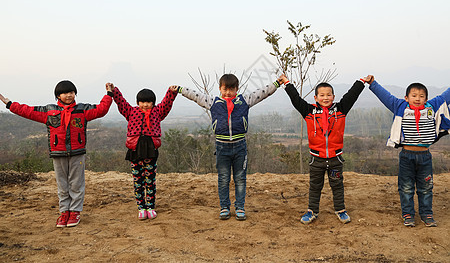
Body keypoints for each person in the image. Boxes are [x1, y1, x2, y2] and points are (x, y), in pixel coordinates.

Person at [0, 80, 113, 228]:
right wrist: (9, 104)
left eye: (72, 92)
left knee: (76, 183)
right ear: (58, 95)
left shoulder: (82, 110)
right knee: (62, 184)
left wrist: (109, 94)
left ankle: (75, 212)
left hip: (77, 153)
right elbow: (27, 111)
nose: (69, 95)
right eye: (65, 93)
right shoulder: (49, 111)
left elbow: (101, 109)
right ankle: (64, 212)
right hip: (58, 152)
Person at [178, 74, 281, 221]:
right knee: (223, 179)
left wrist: (277, 83)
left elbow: (262, 93)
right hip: (222, 147)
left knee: (240, 179)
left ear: (237, 89)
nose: (228, 92)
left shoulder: (244, 101)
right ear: (220, 88)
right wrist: (181, 89)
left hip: (240, 146)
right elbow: (196, 96)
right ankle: (224, 208)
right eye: (225, 89)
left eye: (231, 89)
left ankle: (240, 207)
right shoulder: (213, 102)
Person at [278, 74, 365, 224]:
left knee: (337, 185)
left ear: (333, 96)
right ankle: (312, 211)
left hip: (335, 158)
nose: (326, 98)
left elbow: (352, 95)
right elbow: (296, 99)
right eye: (322, 95)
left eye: (329, 95)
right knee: (315, 186)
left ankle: (340, 210)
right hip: (316, 159)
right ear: (316, 97)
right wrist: (287, 83)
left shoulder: (340, 109)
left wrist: (361, 82)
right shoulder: (309, 111)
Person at [365, 75, 450, 227]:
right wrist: (373, 83)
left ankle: (426, 214)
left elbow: (446, 96)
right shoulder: (400, 107)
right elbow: (386, 97)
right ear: (406, 97)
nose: (418, 99)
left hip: (425, 156)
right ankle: (408, 214)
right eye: (414, 95)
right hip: (406, 156)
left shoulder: (432, 106)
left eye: (422, 96)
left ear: (426, 99)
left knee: (426, 187)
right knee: (406, 187)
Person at [108, 83, 178, 220]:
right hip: (135, 149)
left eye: (149, 102)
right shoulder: (131, 112)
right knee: (138, 180)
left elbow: (166, 104)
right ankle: (141, 208)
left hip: (151, 150)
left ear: (153, 103)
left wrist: (171, 92)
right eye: (142, 102)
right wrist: (114, 91)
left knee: (150, 180)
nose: (145, 105)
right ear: (137, 102)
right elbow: (121, 102)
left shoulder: (158, 112)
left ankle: (151, 207)